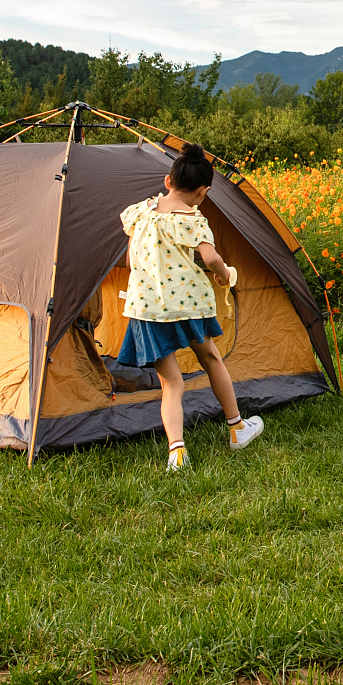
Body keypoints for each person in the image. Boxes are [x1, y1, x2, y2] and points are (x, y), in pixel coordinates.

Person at [118, 144, 265, 471]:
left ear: (167, 180)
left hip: (147, 308)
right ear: (203, 192)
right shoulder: (192, 219)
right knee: (211, 358)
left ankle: (177, 452)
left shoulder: (140, 212)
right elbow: (211, 258)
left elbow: (130, 260)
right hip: (187, 306)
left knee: (172, 382)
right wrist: (225, 275)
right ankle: (238, 428)